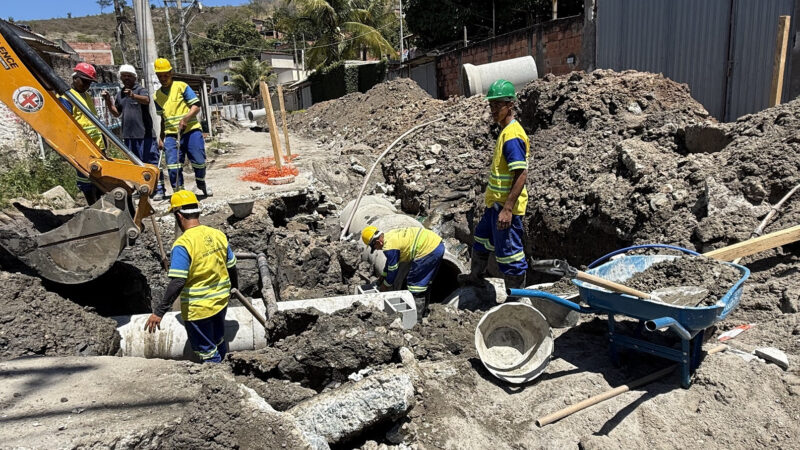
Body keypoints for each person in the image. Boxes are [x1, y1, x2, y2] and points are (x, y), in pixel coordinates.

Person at [144, 190, 237, 363]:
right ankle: (225, 365)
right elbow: (231, 266)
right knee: (219, 339)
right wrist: (233, 288)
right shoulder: (217, 234)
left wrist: (159, 311)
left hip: (198, 309)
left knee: (207, 352)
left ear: (178, 215)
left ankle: (219, 381)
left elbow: (178, 281)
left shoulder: (183, 244)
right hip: (221, 302)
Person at [460, 79, 530, 290]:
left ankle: (516, 298)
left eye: (497, 105)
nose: (493, 110)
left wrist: (508, 209)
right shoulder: (505, 131)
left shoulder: (513, 136)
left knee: (510, 256)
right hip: (495, 206)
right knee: (481, 238)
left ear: (510, 105)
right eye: (491, 105)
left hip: (506, 209)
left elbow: (521, 174)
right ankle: (475, 276)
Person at [101, 64, 165, 200]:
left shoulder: (141, 90)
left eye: (129, 76)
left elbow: (147, 101)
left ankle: (159, 189)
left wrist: (133, 95)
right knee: (135, 166)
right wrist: (108, 101)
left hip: (145, 135)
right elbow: (116, 113)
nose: (126, 79)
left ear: (134, 77)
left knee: (151, 162)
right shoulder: (120, 94)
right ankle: (140, 189)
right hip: (129, 137)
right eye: (124, 76)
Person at [152, 58, 212, 197]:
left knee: (199, 161)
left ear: (171, 73)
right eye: (160, 76)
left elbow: (196, 106)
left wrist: (186, 119)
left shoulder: (181, 86)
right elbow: (163, 119)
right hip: (172, 135)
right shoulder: (157, 96)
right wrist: (161, 138)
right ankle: (180, 194)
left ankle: (201, 182)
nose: (163, 78)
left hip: (191, 131)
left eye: (166, 75)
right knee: (173, 167)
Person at [361, 225, 445, 314]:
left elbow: (393, 269)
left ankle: (416, 319)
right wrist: (383, 275)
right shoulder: (390, 236)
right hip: (437, 245)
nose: (377, 250)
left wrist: (385, 286)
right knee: (426, 283)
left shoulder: (389, 246)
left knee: (415, 286)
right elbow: (390, 262)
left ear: (378, 242)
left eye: (374, 247)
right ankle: (424, 312)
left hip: (428, 250)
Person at [58, 62, 104, 204]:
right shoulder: (67, 98)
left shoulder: (86, 97)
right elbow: (66, 125)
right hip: (82, 147)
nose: (86, 85)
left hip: (96, 146)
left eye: (89, 83)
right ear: (75, 78)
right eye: (84, 81)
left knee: (100, 180)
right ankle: (93, 208)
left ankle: (102, 208)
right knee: (86, 181)